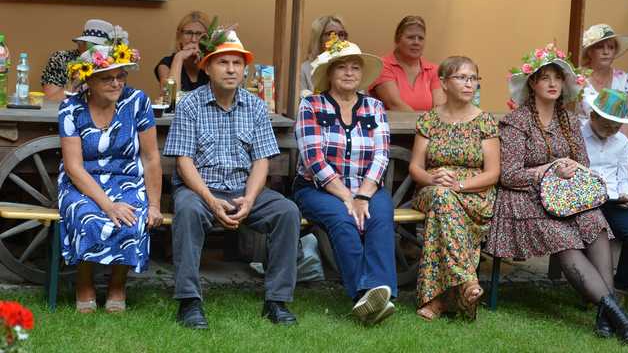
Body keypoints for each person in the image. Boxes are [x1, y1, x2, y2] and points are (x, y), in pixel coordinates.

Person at [487, 43, 628, 344]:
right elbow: (510, 175)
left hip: (565, 195)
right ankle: (615, 313)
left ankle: (605, 316)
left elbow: (581, 162)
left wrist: (569, 167)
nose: (554, 83)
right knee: (564, 238)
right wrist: (551, 167)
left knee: (596, 223)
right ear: (533, 83)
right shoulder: (516, 122)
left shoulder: (569, 120)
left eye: (558, 77)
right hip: (524, 198)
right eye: (546, 77)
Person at [163, 28, 300, 329]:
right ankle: (189, 301)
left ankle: (276, 301)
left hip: (243, 190)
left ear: (244, 69)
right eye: (223, 62)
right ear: (208, 68)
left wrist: (250, 199)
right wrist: (211, 201)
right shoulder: (189, 105)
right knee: (187, 211)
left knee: (287, 212)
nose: (231, 69)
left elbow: (261, 160)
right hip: (200, 189)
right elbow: (184, 162)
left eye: (237, 63)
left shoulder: (255, 106)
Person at [293, 37, 397, 325]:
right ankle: (364, 295)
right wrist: (347, 197)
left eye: (355, 68)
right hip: (317, 188)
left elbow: (381, 155)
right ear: (329, 73)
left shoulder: (374, 107)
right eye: (342, 67)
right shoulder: (311, 105)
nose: (349, 73)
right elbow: (314, 160)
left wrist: (363, 195)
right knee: (343, 219)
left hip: (366, 186)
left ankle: (379, 295)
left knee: (380, 215)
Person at [58, 40, 162, 314]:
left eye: (121, 76)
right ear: (89, 81)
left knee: (131, 215)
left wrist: (154, 205)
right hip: (82, 181)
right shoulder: (70, 108)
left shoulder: (137, 102)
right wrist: (107, 204)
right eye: (107, 78)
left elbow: (151, 158)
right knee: (85, 215)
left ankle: (118, 283)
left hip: (126, 178)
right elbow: (74, 167)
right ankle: (84, 282)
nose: (116, 83)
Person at [408, 56, 499, 321]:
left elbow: (493, 173)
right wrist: (432, 179)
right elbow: (415, 167)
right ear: (444, 83)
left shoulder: (485, 122)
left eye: (473, 78)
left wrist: (459, 185)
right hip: (432, 188)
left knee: (443, 205)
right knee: (441, 198)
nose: (469, 84)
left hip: (475, 193)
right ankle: (467, 283)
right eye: (461, 77)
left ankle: (437, 301)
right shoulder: (429, 120)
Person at [582, 88, 628, 304]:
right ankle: (592, 289)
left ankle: (620, 286)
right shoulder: (578, 135)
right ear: (593, 116)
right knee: (596, 235)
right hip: (585, 200)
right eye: (607, 125)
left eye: (616, 126)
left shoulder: (622, 142)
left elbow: (624, 177)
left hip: (615, 199)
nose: (611, 130)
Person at [369, 15, 445, 111]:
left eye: (420, 38)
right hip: (393, 125)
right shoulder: (382, 66)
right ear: (397, 40)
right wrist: (424, 124)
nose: (416, 42)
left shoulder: (433, 70)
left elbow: (440, 107)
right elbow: (395, 104)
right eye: (410, 37)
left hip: (428, 125)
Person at [579, 24, 628, 137]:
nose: (606, 52)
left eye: (611, 47)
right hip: (582, 142)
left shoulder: (622, 78)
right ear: (589, 51)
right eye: (600, 47)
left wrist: (617, 146)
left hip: (615, 143)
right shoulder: (578, 79)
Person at [42, 19, 114, 101]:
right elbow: (50, 101)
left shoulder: (113, 64)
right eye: (91, 44)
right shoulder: (61, 59)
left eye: (101, 47)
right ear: (81, 44)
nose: (95, 50)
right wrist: (75, 83)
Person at [154, 11, 211, 93]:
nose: (193, 39)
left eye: (199, 34)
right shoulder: (165, 65)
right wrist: (179, 57)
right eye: (188, 33)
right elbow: (169, 96)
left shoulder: (212, 62)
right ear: (179, 35)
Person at [300, 15, 348, 96]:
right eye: (331, 34)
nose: (337, 39)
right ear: (318, 38)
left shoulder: (352, 68)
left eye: (341, 34)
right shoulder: (304, 69)